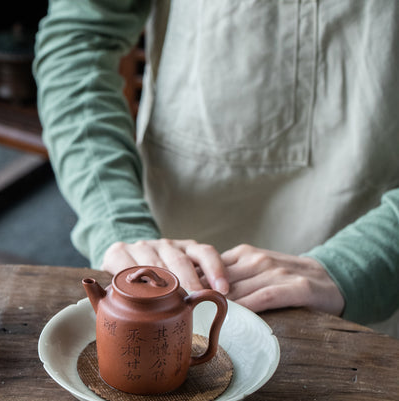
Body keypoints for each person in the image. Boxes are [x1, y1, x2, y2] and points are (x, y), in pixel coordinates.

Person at [33, 0, 399, 335]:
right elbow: (79, 38)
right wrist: (116, 217)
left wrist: (362, 262)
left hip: (376, 266)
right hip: (177, 244)